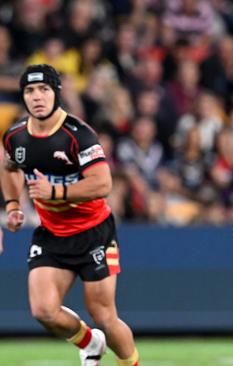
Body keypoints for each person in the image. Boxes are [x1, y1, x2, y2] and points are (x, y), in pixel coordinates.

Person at [1, 64, 139, 366]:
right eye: (29, 91)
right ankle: (91, 343)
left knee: (104, 314)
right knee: (43, 311)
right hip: (52, 234)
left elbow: (103, 183)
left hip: (94, 233)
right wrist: (12, 205)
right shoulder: (15, 136)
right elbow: (9, 167)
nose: (37, 97)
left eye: (44, 89)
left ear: (56, 93)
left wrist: (56, 193)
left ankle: (130, 362)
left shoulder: (78, 135)